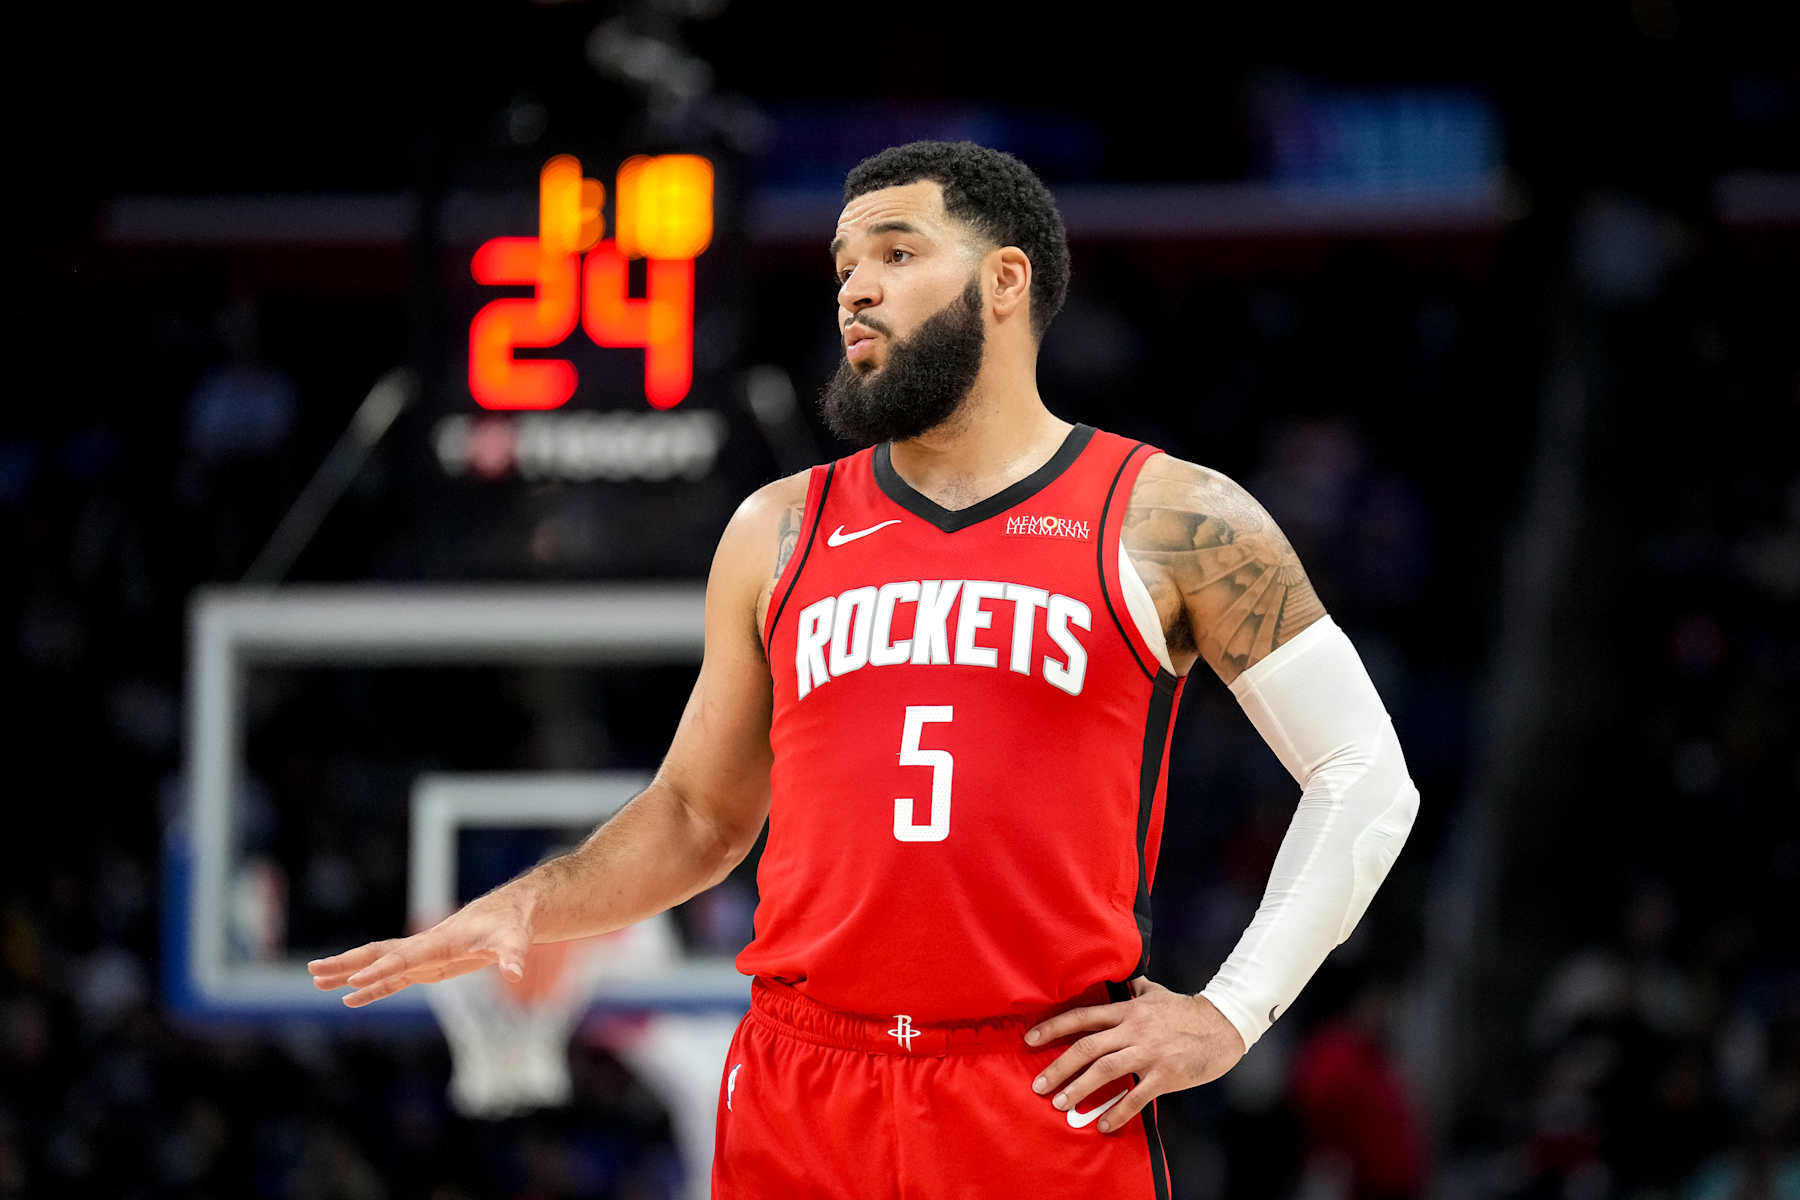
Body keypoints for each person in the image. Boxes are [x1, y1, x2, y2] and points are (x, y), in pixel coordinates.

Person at [309, 141, 1422, 1198]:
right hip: (803, 1077)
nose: (856, 289)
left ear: (1003, 279)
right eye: (844, 265)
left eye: (895, 253)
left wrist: (1230, 1013)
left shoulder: (1173, 516)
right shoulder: (777, 528)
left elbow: (1364, 771)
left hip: (1036, 1081)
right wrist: (531, 906)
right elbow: (698, 816)